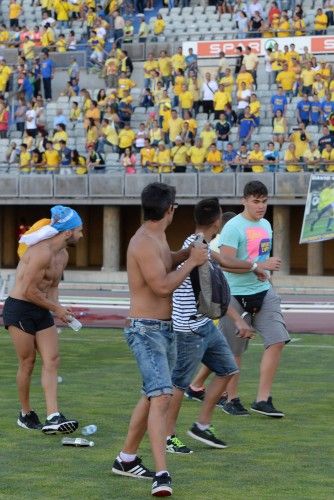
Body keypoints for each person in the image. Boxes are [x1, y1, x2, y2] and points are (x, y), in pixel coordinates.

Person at [112, 183, 208, 497]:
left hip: (162, 330)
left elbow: (166, 261)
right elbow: (162, 286)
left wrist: (187, 252)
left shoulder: (157, 236)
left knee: (151, 394)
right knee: (162, 396)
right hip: (146, 331)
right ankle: (162, 473)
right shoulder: (142, 242)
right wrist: (192, 262)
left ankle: (126, 459)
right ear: (170, 209)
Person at [189, 182, 290, 417]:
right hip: (233, 293)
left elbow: (259, 259)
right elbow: (226, 263)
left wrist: (262, 270)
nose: (261, 206)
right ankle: (232, 400)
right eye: (256, 201)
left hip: (263, 291)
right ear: (244, 200)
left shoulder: (266, 225)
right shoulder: (233, 227)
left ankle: (263, 399)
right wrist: (257, 266)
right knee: (234, 350)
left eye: (264, 201)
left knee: (277, 339)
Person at [165, 199, 254, 455]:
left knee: (227, 369)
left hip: (204, 325)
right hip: (189, 328)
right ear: (217, 222)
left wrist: (256, 266)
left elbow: (224, 261)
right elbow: (210, 294)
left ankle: (202, 424)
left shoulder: (198, 244)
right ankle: (168, 436)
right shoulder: (196, 248)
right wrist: (237, 319)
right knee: (179, 384)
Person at [2, 206, 83, 433]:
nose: (81, 234)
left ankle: (53, 415)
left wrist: (60, 310)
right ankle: (25, 413)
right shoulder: (41, 252)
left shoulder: (63, 255)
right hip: (19, 309)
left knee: (53, 359)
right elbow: (28, 291)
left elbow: (53, 287)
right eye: (79, 230)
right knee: (27, 362)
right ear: (67, 232)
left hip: (41, 309)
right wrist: (56, 309)